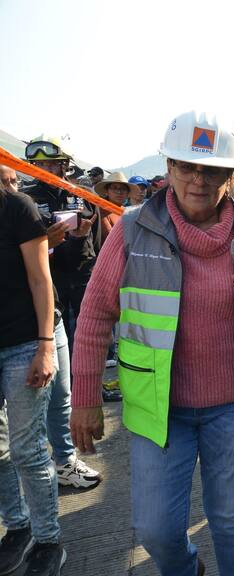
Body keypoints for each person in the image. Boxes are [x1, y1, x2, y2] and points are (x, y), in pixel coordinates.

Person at [70, 110, 234, 576]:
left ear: (231, 178)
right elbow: (93, 317)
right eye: (187, 166)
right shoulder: (131, 231)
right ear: (169, 168)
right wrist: (85, 398)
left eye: (212, 170)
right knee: (156, 530)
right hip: (161, 406)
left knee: (231, 519)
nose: (198, 179)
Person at [22, 137, 102, 490]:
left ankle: (65, 460)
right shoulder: (24, 198)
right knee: (40, 395)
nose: (47, 169)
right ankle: (45, 464)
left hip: (80, 274)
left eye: (53, 163)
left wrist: (81, 231)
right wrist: (48, 242)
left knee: (79, 352)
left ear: (64, 164)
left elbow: (90, 225)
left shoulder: (77, 192)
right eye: (40, 164)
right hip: (42, 290)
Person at [0, 177, 66, 574]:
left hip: (26, 342)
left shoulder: (17, 208)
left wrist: (45, 346)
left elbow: (42, 281)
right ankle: (17, 527)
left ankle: (48, 540)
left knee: (27, 448)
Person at [95, 172, 136, 239]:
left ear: (127, 193)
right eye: (114, 188)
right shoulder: (102, 211)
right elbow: (112, 238)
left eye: (123, 189)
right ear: (107, 191)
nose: (119, 192)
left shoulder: (127, 211)